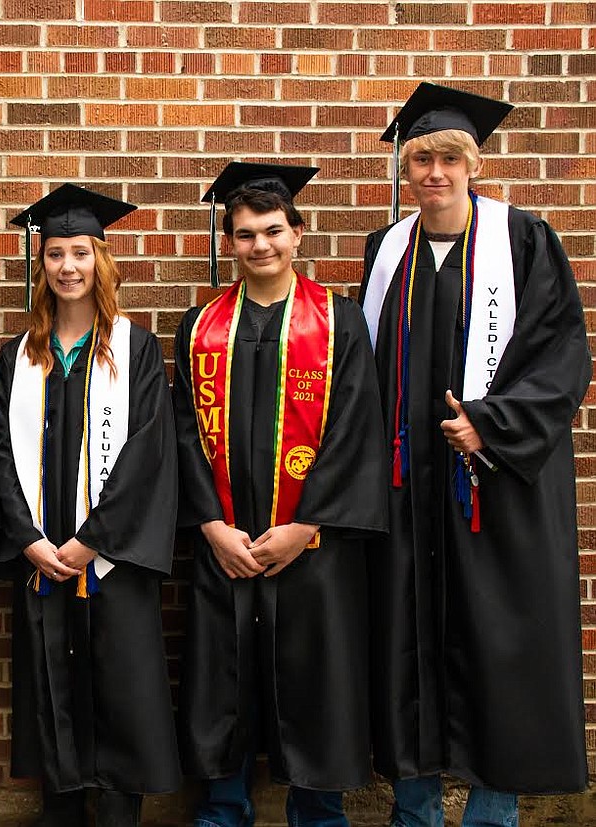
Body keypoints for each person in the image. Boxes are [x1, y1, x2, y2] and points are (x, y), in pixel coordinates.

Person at [360, 82, 590, 827]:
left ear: (474, 163)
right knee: (407, 647)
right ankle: (416, 809)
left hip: (497, 486)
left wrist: (490, 424)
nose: (434, 172)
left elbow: (562, 357)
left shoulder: (524, 241)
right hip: (406, 491)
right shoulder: (385, 251)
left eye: (449, 158)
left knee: (502, 648)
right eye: (421, 157)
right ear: (407, 166)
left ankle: (493, 813)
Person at [174, 163, 387, 827]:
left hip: (312, 547)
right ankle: (222, 810)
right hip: (227, 542)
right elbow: (182, 432)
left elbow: (357, 428)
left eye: (272, 231)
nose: (259, 245)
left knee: (315, 679)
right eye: (244, 235)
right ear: (231, 242)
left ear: (297, 233)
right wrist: (210, 524)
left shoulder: (338, 320)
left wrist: (306, 525)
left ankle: (319, 814)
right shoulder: (200, 325)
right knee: (221, 680)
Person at [0, 184, 180, 827]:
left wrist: (91, 541)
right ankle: (62, 807)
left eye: (79, 252)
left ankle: (119, 809)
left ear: (101, 259)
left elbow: (147, 454)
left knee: (121, 686)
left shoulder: (135, 348)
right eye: (54, 255)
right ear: (39, 266)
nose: (67, 267)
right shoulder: (18, 356)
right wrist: (29, 540)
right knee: (51, 682)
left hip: (111, 557)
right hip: (42, 553)